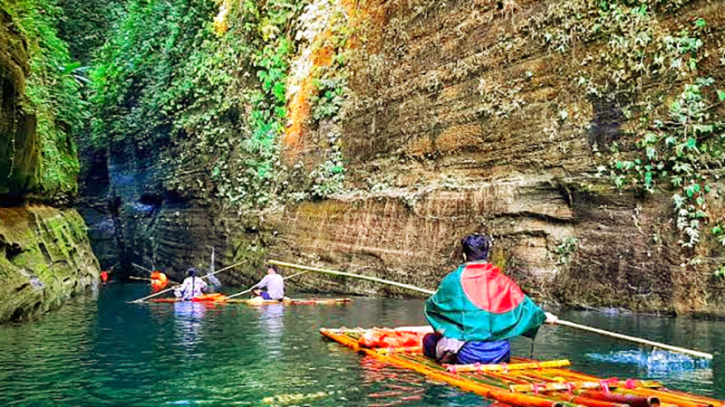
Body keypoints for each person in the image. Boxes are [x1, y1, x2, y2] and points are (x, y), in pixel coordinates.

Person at [423, 234, 558, 365]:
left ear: (464, 255)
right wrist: (544, 317)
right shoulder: (503, 281)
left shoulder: (452, 280)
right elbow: (526, 308)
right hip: (500, 353)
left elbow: (432, 308)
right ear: (487, 255)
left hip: (468, 355)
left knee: (429, 341)